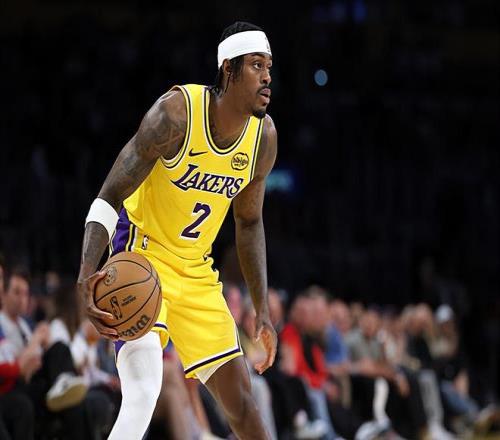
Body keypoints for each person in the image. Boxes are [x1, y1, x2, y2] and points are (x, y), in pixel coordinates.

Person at [77, 21, 278, 440]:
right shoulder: (176, 115)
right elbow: (109, 195)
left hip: (196, 272)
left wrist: (261, 308)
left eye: (269, 67)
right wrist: (86, 272)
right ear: (228, 69)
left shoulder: (263, 138)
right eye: (256, 65)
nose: (267, 77)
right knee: (144, 391)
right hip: (142, 257)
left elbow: (248, 221)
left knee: (243, 406)